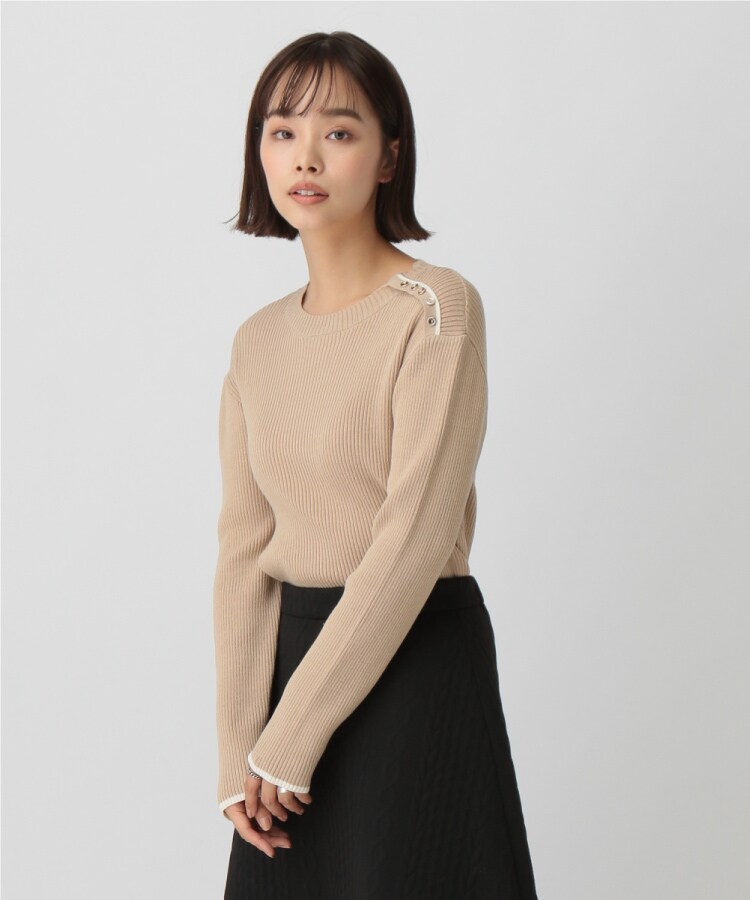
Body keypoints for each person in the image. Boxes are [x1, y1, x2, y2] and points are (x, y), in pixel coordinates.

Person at [213, 30, 539, 899]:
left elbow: (414, 536)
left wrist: (289, 738)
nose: (306, 156)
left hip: (414, 662)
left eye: (339, 131)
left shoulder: (434, 308)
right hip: (292, 674)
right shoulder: (257, 341)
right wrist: (242, 749)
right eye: (282, 131)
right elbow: (244, 550)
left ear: (390, 156)